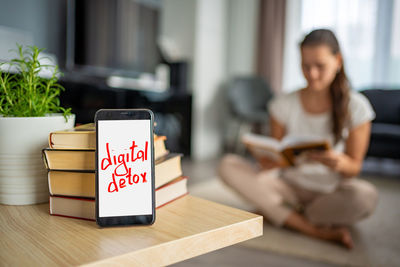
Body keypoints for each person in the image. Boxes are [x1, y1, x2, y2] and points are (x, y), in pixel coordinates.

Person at [218, 29, 378, 249]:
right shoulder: (283, 104)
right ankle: (313, 229)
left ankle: (281, 214)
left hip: (329, 192)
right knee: (228, 165)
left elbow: (354, 168)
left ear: (338, 61)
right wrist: (268, 162)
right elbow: (277, 152)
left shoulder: (357, 107)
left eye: (320, 66)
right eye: (305, 66)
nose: (312, 74)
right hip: (287, 187)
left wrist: (339, 162)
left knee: (365, 196)